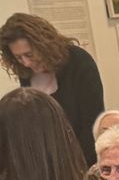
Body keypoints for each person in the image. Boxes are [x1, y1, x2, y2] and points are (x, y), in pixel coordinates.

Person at [0, 12, 104, 164]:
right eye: (18, 57)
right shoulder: (26, 72)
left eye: (29, 54)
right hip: (45, 160)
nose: (26, 62)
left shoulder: (78, 62)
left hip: (81, 158)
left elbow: (92, 123)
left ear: (43, 45)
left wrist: (78, 166)